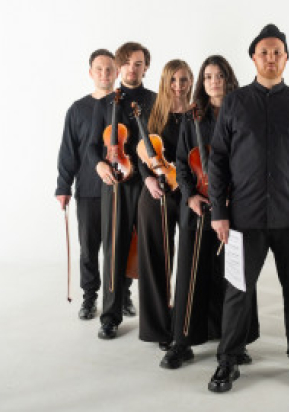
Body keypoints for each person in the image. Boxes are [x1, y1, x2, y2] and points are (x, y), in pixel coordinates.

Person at [207, 24, 289, 392]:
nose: (271, 58)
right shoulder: (235, 103)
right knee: (237, 291)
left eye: (277, 52)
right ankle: (228, 360)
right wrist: (219, 212)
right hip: (244, 217)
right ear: (253, 58)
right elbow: (218, 160)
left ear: (286, 58)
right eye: (264, 52)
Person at [162, 55, 259, 370]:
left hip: (235, 206)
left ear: (228, 79)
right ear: (202, 83)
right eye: (207, 77)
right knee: (190, 274)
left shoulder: (243, 114)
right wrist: (189, 195)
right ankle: (182, 341)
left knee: (235, 275)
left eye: (219, 75)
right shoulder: (193, 117)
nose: (213, 81)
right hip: (199, 206)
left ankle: (235, 342)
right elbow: (181, 162)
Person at [87, 42, 157, 339]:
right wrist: (99, 165)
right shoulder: (105, 104)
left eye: (138, 63)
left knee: (151, 249)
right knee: (114, 249)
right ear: (118, 67)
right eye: (126, 63)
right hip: (115, 183)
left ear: (146, 67)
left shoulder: (155, 101)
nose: (132, 69)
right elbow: (93, 145)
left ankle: (156, 320)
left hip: (148, 183)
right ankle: (110, 316)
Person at [55, 49, 121, 320]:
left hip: (119, 188)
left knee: (119, 247)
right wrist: (63, 187)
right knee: (89, 248)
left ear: (117, 72)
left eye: (109, 69)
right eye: (99, 69)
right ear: (90, 73)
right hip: (88, 190)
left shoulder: (124, 105)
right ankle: (90, 296)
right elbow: (68, 151)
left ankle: (122, 295)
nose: (104, 74)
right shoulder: (77, 109)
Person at [137, 60, 192, 351]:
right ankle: (159, 327)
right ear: (164, 82)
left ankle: (188, 322)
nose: (178, 86)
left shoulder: (196, 113)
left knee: (190, 259)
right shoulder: (153, 114)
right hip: (157, 192)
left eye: (183, 80)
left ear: (190, 81)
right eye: (173, 80)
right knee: (157, 258)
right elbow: (141, 153)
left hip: (188, 193)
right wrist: (148, 180)